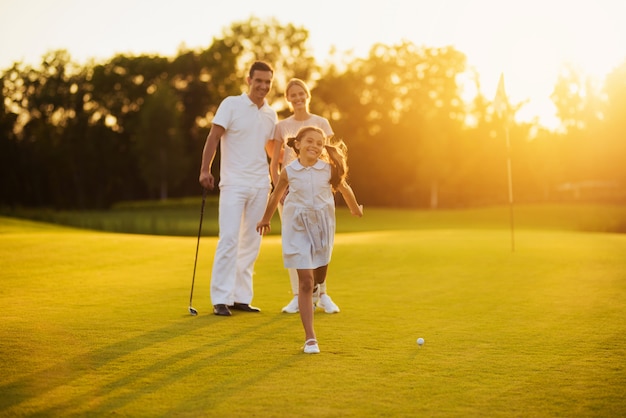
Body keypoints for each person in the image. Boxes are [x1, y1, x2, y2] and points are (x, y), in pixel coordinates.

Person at [257, 126, 363, 354]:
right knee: (304, 281)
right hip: (296, 225)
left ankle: (317, 289)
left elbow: (344, 189)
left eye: (319, 143)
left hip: (323, 226)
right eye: (310, 141)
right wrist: (265, 218)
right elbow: (276, 195)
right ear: (298, 145)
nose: (315, 146)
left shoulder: (328, 170)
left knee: (319, 274)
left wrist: (355, 209)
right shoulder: (290, 171)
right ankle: (310, 338)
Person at [199, 61, 277, 317]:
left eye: (268, 82)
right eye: (259, 81)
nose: (263, 86)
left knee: (252, 242)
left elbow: (269, 149)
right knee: (229, 239)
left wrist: (280, 176)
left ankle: (241, 297)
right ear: (249, 80)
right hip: (233, 183)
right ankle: (221, 298)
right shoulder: (231, 104)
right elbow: (213, 137)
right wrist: (205, 170)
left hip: (260, 184)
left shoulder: (270, 114)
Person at [270, 78, 339, 314]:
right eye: (293, 95)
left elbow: (327, 156)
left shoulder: (320, 122)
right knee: (295, 245)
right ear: (288, 99)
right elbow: (275, 162)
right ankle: (298, 296)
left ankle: (323, 295)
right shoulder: (282, 126)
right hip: (290, 191)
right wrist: (277, 188)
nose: (298, 98)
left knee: (320, 243)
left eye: (301, 94)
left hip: (316, 192)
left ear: (307, 96)